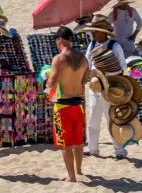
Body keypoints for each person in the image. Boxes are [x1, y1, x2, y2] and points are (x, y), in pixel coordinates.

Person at [81, 14, 128, 159]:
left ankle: (119, 151)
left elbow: (122, 68)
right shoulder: (92, 45)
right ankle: (93, 149)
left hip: (110, 88)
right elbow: (87, 64)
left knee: (111, 120)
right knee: (93, 120)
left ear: (103, 32)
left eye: (95, 31)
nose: (92, 33)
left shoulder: (115, 46)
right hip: (95, 88)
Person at [48, 26, 88, 183]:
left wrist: (46, 77)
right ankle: (79, 170)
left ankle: (71, 176)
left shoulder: (59, 59)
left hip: (62, 106)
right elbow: (85, 80)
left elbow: (52, 83)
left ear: (59, 40)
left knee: (64, 142)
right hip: (78, 105)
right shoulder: (82, 58)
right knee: (78, 140)